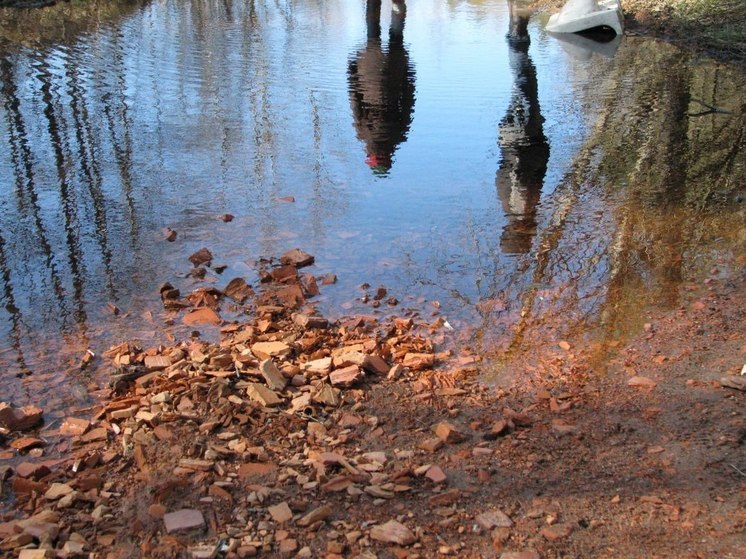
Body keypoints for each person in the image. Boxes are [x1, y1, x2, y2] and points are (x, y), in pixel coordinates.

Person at [496, 0, 550, 253]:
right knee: (526, 79)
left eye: (528, 237)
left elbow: (519, 175)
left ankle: (517, 30)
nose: (534, 233)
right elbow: (505, 173)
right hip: (513, 137)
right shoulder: (508, 206)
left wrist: (527, 145)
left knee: (523, 79)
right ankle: (516, 23)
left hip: (523, 138)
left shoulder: (520, 206)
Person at [348, 0, 416, 175]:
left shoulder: (399, 135)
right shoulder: (363, 134)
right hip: (368, 71)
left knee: (396, 37)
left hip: (395, 72)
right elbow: (355, 99)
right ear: (371, 156)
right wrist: (352, 72)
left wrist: (409, 74)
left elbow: (407, 100)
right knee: (373, 35)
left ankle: (397, 4)